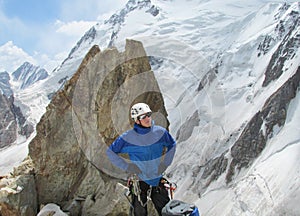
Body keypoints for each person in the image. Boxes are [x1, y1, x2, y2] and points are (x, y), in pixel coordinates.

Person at [107, 102, 176, 216]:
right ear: (136, 120)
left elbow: (172, 145)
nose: (148, 118)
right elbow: (110, 152)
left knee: (166, 212)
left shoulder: (159, 132)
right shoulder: (128, 138)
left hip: (157, 179)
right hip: (139, 182)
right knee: (139, 213)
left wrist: (165, 164)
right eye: (143, 117)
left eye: (148, 114)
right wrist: (128, 166)